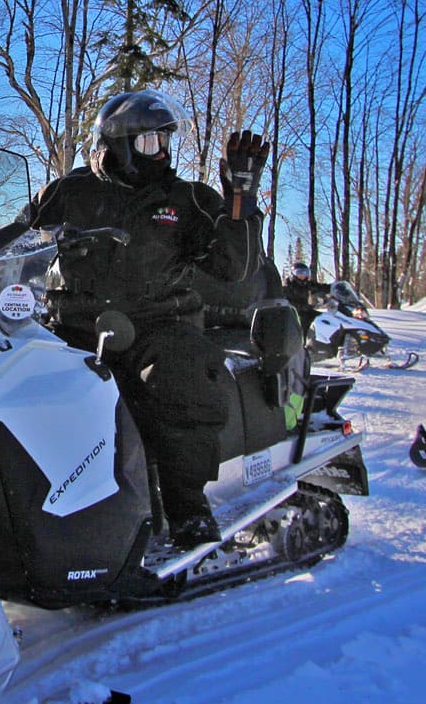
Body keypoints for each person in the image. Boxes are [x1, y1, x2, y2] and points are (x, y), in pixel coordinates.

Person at [19, 89, 268, 549]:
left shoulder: (186, 199)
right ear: (118, 144)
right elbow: (15, 243)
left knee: (178, 377)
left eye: (166, 140)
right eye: (151, 141)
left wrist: (241, 200)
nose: (163, 152)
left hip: (157, 325)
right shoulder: (68, 191)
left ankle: (187, 508)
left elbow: (234, 267)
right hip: (73, 327)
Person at [284, 260, 327, 328]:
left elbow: (320, 287)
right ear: (293, 274)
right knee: (304, 321)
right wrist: (303, 306)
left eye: (305, 273)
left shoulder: (308, 285)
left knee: (324, 317)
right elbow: (288, 302)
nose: (303, 275)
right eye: (299, 273)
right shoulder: (288, 287)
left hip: (307, 311)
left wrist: (333, 287)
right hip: (293, 315)